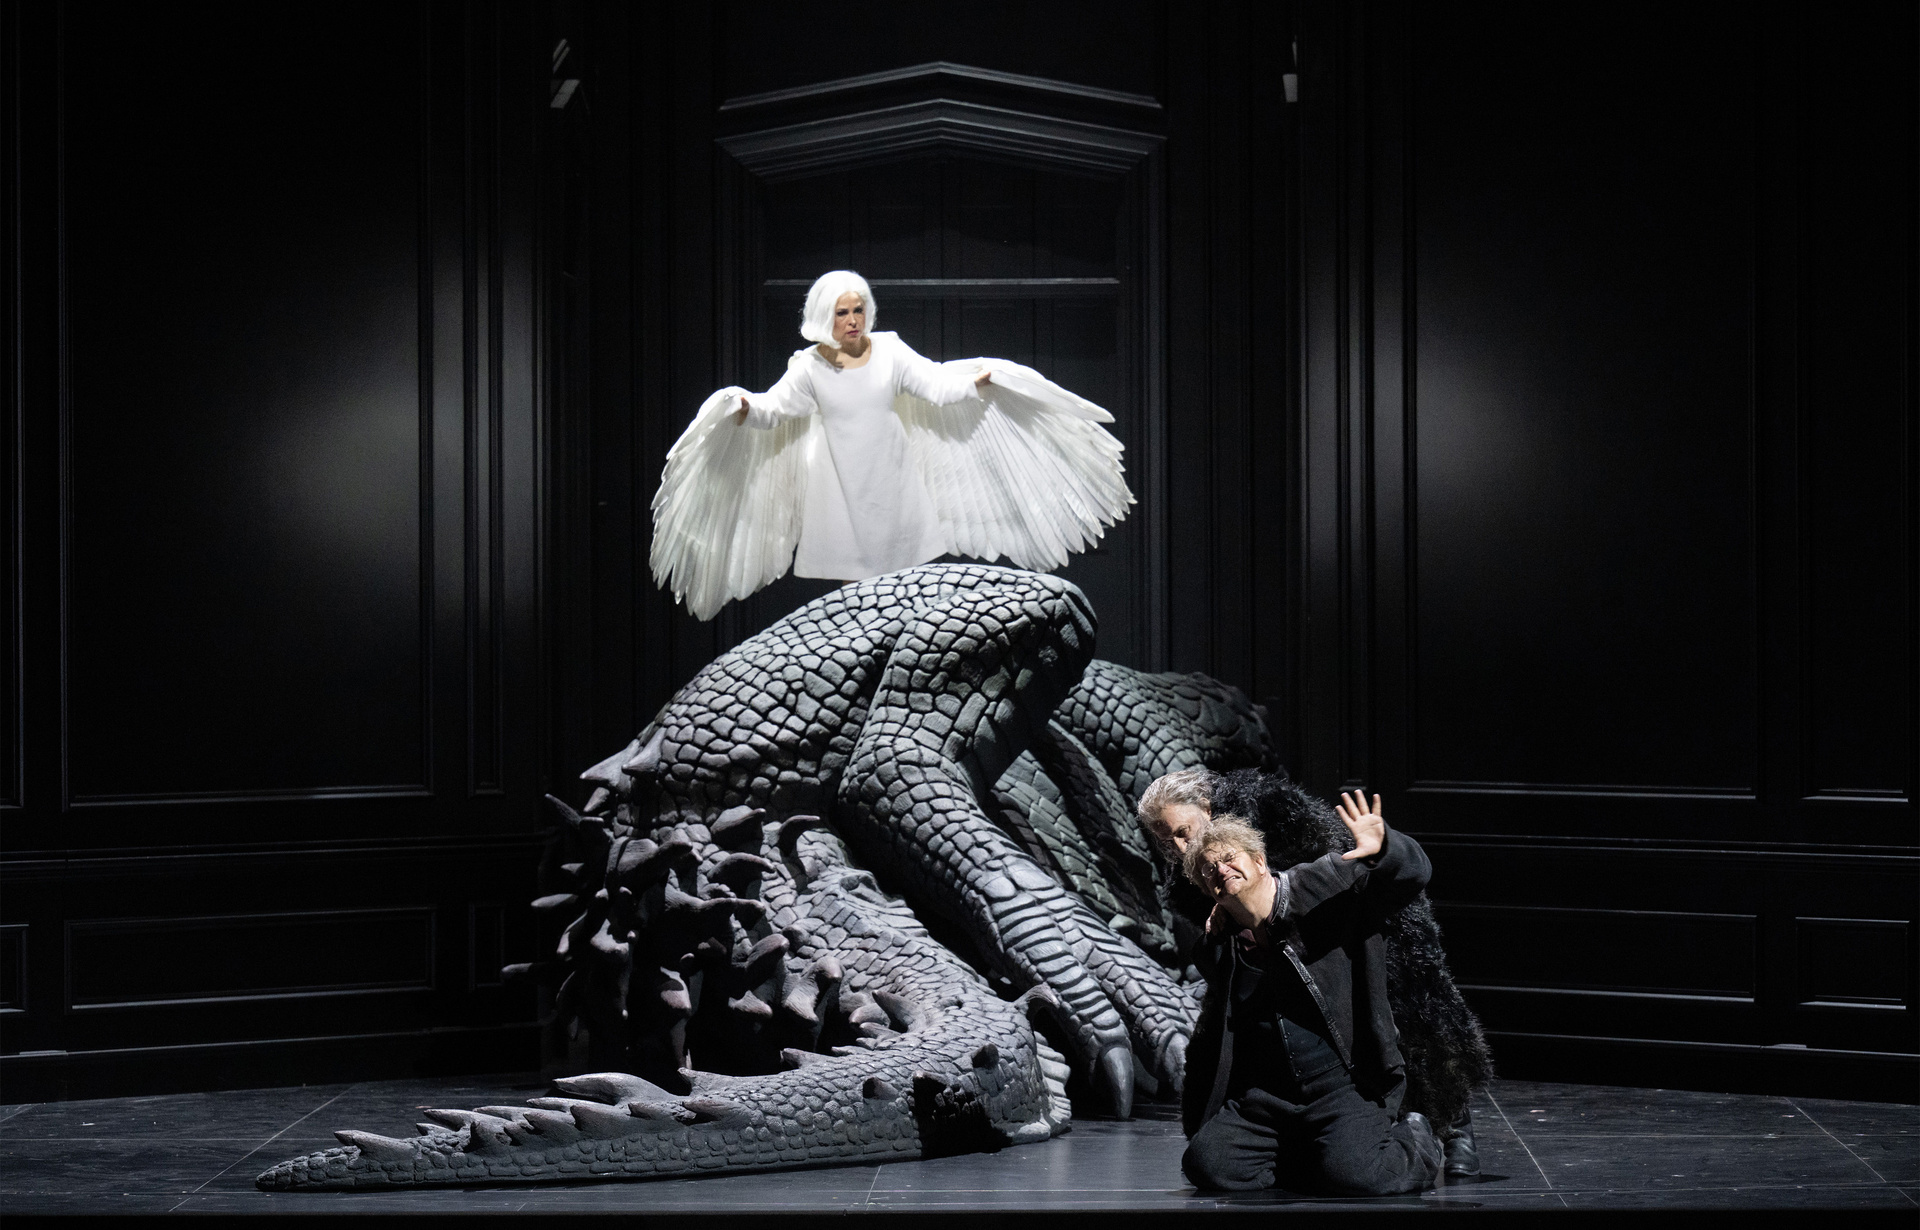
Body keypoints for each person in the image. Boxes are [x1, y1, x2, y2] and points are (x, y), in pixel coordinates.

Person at [650, 270, 1133, 619]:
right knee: (855, 589)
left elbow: (936, 386)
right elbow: (776, 408)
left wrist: (979, 383)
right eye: (843, 312)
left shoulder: (891, 351)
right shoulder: (810, 368)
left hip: (892, 476)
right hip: (841, 485)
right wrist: (742, 408)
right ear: (825, 316)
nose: (853, 320)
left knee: (905, 578)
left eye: (859, 309)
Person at [1137, 768, 1491, 1177]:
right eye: (1168, 840)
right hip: (1281, 967)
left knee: (1410, 1028)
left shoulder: (1274, 814)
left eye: (1183, 830)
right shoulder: (1193, 874)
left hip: (1347, 932)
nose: (1180, 846)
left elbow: (1353, 872)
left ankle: (1448, 1127)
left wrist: (1378, 853)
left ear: (1207, 806)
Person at [1178, 805, 1442, 1195]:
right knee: (1208, 1165)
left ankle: (1417, 1139)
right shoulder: (1220, 949)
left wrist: (1384, 847)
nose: (1220, 869)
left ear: (1260, 861)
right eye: (1208, 868)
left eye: (1229, 857)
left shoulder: (1322, 884)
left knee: (1360, 1176)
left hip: (1341, 1085)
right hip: (1267, 1097)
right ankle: (1312, 1152)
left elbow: (1410, 878)